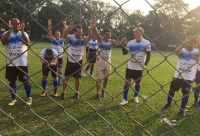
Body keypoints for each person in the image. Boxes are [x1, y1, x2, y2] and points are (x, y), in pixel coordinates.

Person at [162, 35, 199, 116]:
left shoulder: (196, 52)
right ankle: (168, 104)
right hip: (177, 76)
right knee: (171, 90)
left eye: (191, 43)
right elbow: (176, 52)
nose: (189, 45)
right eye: (188, 43)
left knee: (185, 94)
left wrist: (199, 42)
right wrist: (184, 42)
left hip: (188, 78)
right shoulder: (183, 50)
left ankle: (181, 110)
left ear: (195, 44)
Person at [61, 20, 96, 99]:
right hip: (70, 60)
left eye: (81, 31)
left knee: (78, 78)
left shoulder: (83, 38)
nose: (80, 33)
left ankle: (77, 93)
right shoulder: (70, 37)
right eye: (78, 32)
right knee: (67, 77)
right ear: (75, 32)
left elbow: (89, 37)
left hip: (79, 61)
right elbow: (64, 36)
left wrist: (91, 28)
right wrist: (68, 28)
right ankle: (63, 92)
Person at [1, 18, 32, 106]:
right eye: (14, 24)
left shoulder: (24, 33)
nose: (17, 25)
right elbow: (4, 42)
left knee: (25, 80)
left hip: (22, 62)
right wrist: (10, 31)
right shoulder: (6, 33)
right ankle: (13, 99)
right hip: (11, 63)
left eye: (18, 23)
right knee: (12, 81)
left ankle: (29, 97)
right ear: (11, 25)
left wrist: (22, 31)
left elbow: (27, 43)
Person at [93, 24, 127, 100]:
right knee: (99, 79)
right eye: (106, 34)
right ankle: (97, 93)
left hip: (108, 63)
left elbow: (120, 43)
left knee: (106, 79)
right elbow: (96, 32)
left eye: (109, 34)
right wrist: (94, 26)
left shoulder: (111, 41)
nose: (107, 36)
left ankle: (103, 90)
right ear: (103, 34)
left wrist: (123, 41)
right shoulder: (100, 40)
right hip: (100, 63)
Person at [120, 27, 151, 105]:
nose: (135, 33)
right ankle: (125, 99)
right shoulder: (130, 42)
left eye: (136, 32)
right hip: (130, 66)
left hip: (139, 67)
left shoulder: (146, 42)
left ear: (141, 33)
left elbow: (149, 55)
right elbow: (124, 53)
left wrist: (145, 64)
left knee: (138, 83)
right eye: (134, 32)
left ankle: (135, 96)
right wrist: (123, 44)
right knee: (127, 82)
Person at [48, 19, 66, 84]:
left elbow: (64, 33)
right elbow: (49, 33)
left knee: (60, 69)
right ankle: (55, 79)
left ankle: (59, 80)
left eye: (58, 34)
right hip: (54, 57)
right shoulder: (53, 39)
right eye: (56, 34)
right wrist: (49, 25)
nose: (57, 35)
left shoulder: (62, 40)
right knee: (55, 69)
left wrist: (64, 26)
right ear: (54, 35)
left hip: (60, 57)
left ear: (60, 35)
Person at [193, 35, 200, 106]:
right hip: (199, 70)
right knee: (197, 85)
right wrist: (198, 43)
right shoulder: (197, 49)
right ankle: (195, 101)